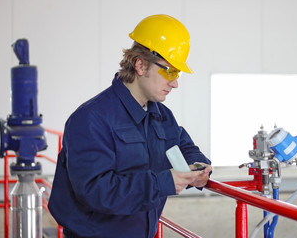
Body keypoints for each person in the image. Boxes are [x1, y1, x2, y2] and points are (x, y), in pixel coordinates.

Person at [48, 14, 212, 238]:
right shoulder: (91, 118)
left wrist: (199, 167)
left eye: (177, 73)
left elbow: (185, 147)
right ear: (140, 65)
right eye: (169, 71)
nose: (175, 83)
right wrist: (163, 182)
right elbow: (96, 191)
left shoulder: (161, 115)